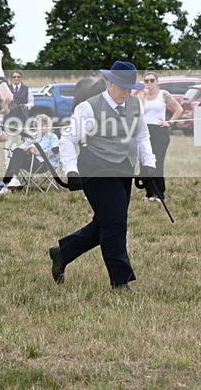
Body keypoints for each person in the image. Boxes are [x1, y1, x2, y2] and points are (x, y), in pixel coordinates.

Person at [49, 61, 156, 291]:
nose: (127, 93)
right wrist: (71, 170)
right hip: (96, 168)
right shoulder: (89, 108)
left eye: (130, 88)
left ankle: (62, 252)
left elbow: (142, 136)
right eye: (122, 87)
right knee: (116, 223)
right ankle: (120, 281)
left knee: (105, 223)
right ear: (110, 83)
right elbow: (68, 139)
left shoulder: (135, 104)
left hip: (124, 168)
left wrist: (149, 165)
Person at [136, 70, 182, 201]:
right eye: (146, 81)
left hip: (159, 131)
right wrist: (144, 94)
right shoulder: (141, 96)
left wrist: (170, 122)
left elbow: (179, 108)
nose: (149, 83)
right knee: (144, 161)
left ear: (157, 82)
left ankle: (159, 193)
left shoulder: (164, 94)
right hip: (144, 131)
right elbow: (137, 110)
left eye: (152, 80)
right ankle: (149, 192)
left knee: (157, 162)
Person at [0, 114, 59, 194]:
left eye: (43, 125)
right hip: (30, 161)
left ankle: (6, 185)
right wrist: (30, 147)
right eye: (38, 125)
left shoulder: (53, 137)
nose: (40, 127)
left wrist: (39, 152)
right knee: (17, 152)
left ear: (48, 126)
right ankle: (14, 179)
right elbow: (21, 148)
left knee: (15, 158)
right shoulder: (32, 137)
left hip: (44, 163)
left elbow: (55, 150)